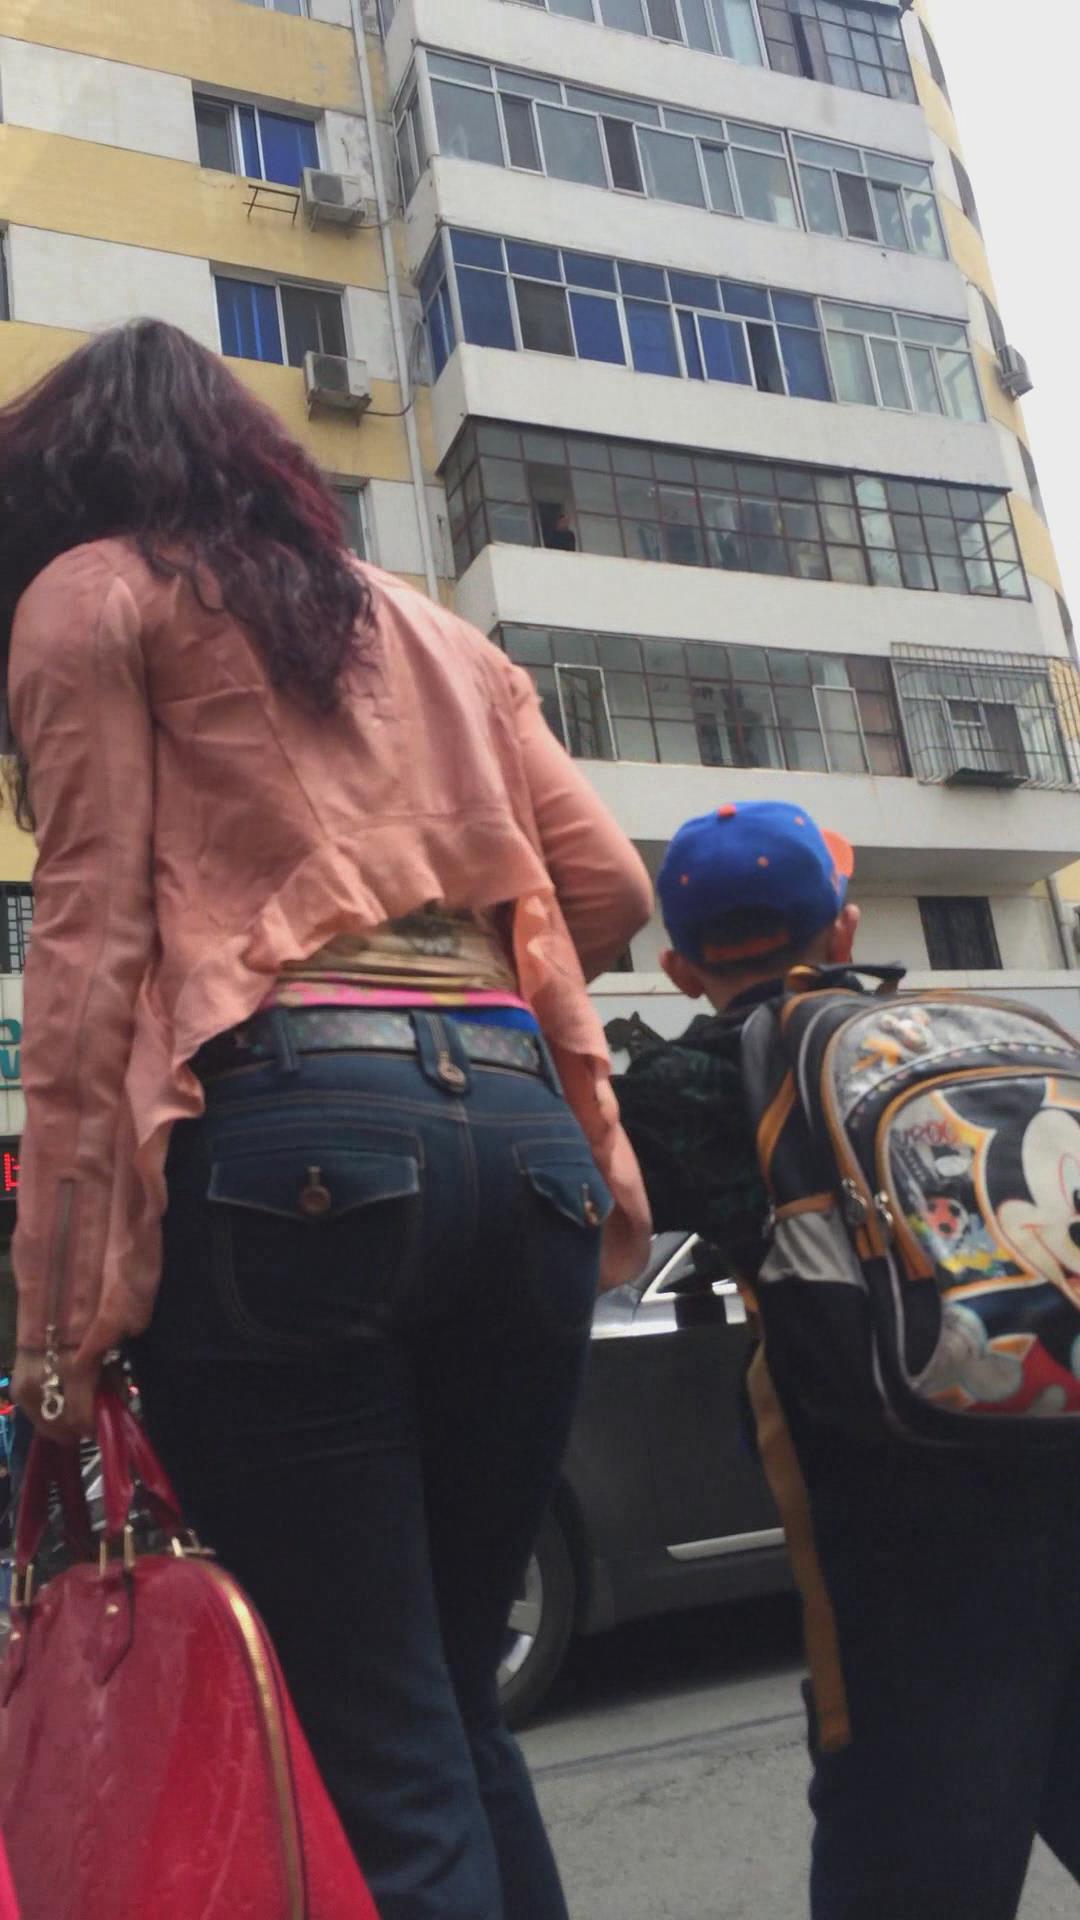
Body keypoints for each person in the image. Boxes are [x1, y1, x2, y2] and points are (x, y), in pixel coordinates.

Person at [0, 318, 653, 1920]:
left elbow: (88, 961)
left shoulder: (92, 593)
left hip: (289, 1149)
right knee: (448, 1701)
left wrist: (57, 1330)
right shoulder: (430, 629)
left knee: (376, 1739)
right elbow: (609, 887)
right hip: (527, 1142)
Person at [614, 799, 1080, 1920]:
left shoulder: (696, 1086)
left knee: (909, 1835)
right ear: (846, 928)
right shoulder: (978, 1040)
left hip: (906, 1533)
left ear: (678, 966)